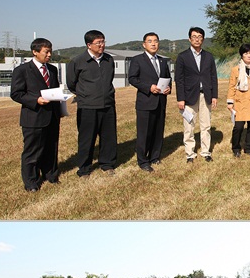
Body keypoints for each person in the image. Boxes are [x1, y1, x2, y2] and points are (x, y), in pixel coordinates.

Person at [10, 38, 61, 192]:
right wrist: (35, 100)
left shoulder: (52, 69)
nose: (49, 55)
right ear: (35, 52)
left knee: (51, 147)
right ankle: (31, 181)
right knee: (32, 151)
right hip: (33, 117)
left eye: (50, 51)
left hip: (52, 116)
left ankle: (50, 174)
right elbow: (16, 94)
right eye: (46, 51)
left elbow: (54, 89)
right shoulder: (22, 70)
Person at [67, 30, 118, 178]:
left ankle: (107, 164)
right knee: (86, 139)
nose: (102, 45)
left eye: (103, 41)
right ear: (89, 45)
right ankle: (84, 168)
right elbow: (71, 83)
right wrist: (85, 94)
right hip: (87, 106)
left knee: (108, 137)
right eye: (98, 43)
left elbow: (110, 78)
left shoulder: (108, 59)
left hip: (107, 104)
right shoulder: (78, 61)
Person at [128, 32, 172, 172]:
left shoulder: (163, 61)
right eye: (150, 41)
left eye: (156, 41)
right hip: (145, 102)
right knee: (144, 132)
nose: (153, 44)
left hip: (160, 101)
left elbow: (168, 78)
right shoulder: (137, 60)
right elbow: (133, 79)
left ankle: (155, 156)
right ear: (144, 44)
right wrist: (148, 87)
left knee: (158, 131)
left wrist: (168, 89)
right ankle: (143, 160)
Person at [175, 27, 218, 163]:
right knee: (189, 126)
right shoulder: (182, 57)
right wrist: (180, 98)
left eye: (199, 37)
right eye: (194, 37)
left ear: (203, 39)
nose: (197, 39)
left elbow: (213, 77)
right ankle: (190, 154)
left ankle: (206, 151)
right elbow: (179, 79)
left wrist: (214, 95)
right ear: (189, 39)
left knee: (206, 125)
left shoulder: (208, 56)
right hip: (188, 96)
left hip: (205, 95)